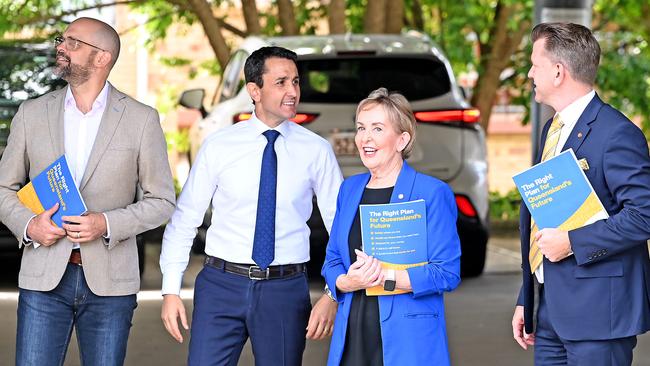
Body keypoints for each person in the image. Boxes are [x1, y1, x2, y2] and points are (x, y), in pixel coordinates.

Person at [0, 17, 176, 365]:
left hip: (111, 283)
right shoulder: (32, 113)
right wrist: (29, 225)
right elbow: (3, 187)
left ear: (102, 58)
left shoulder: (141, 119)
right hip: (43, 278)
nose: (61, 48)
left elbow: (162, 201)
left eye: (73, 43)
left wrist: (106, 223)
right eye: (60, 41)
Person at [160, 46, 343, 365]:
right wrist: (171, 289)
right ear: (254, 91)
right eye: (281, 82)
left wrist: (332, 293)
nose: (292, 92)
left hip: (285, 290)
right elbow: (184, 219)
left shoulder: (316, 150)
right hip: (220, 286)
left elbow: (340, 228)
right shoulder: (219, 146)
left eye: (296, 82)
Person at [512, 22, 650, 365]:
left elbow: (644, 214)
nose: (530, 73)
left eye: (535, 64)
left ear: (558, 72)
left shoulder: (617, 133)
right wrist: (526, 297)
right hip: (549, 315)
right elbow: (546, 218)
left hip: (599, 316)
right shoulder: (552, 129)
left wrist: (573, 242)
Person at [321, 88, 461, 366]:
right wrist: (345, 282)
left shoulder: (431, 192)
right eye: (361, 128)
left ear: (402, 139)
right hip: (354, 332)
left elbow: (446, 273)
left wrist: (385, 278)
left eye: (377, 128)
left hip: (409, 339)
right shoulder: (349, 190)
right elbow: (333, 260)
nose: (365, 138)